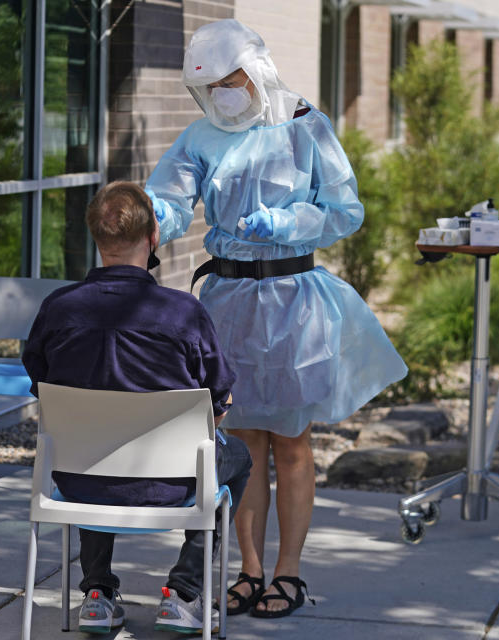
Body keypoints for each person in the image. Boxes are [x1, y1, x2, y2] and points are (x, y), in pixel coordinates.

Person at [145, 19, 407, 618]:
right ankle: (249, 570)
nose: (225, 97)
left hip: (293, 304)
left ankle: (288, 572)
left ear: (258, 73)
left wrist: (289, 224)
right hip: (229, 305)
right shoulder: (201, 136)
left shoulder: (304, 126)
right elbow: (173, 198)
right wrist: (157, 209)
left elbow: (345, 210)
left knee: (290, 444)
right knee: (240, 446)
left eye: (234, 82)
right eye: (214, 89)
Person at [22, 181, 252, 635]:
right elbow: (218, 403)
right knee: (238, 458)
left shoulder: (57, 309)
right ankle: (184, 592)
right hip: (170, 485)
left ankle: (97, 594)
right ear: (153, 240)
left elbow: (40, 384)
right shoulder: (184, 313)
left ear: (97, 239)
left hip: (80, 477)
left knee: (93, 450)